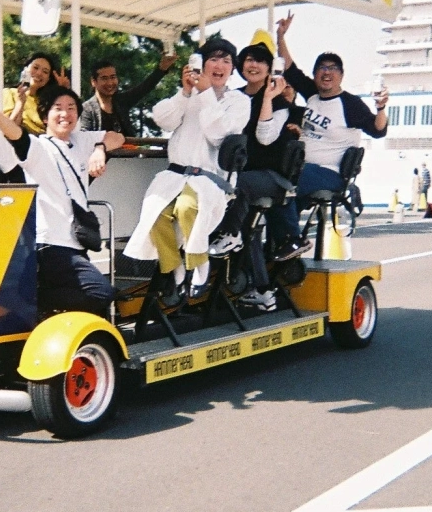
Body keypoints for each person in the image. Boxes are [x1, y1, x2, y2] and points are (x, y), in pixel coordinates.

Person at [123, 37, 251, 303]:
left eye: (226, 61)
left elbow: (219, 135)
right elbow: (163, 119)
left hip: (210, 179)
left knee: (186, 208)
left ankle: (199, 262)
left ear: (232, 69)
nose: (220, 65)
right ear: (202, 64)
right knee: (155, 213)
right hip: (175, 175)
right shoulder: (188, 95)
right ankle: (175, 268)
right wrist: (184, 92)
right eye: (214, 59)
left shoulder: (238, 101)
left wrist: (205, 96)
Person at [0, 83, 124, 317]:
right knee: (102, 293)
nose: (65, 114)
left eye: (71, 108)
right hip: (51, 245)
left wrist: (100, 149)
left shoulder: (82, 140)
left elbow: (117, 137)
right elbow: (16, 135)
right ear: (45, 115)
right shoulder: (38, 147)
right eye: (57, 108)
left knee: (93, 308)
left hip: (77, 243)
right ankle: (24, 299)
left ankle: (35, 302)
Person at [208, 30, 310, 311]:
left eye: (259, 62)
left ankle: (229, 234)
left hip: (272, 178)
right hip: (243, 177)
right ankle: (263, 291)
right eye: (248, 61)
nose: (252, 65)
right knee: (250, 230)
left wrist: (268, 97)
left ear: (269, 69)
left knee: (235, 187)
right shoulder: (233, 97)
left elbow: (265, 136)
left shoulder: (279, 102)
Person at [275, 12, 388, 235]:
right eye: (322, 68)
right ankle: (278, 251)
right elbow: (290, 69)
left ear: (341, 75)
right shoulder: (312, 95)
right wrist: (280, 36)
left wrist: (381, 108)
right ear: (316, 74)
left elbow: (378, 130)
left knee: (285, 184)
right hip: (300, 167)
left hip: (330, 174)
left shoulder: (350, 104)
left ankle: (291, 240)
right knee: (274, 185)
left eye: (332, 68)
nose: (327, 72)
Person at [79, 51, 177, 135]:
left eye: (113, 77)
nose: (110, 83)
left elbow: (144, 88)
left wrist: (162, 68)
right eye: (104, 78)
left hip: (129, 155)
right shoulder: (87, 109)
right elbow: (85, 138)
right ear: (93, 81)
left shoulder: (122, 101)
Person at [0, 51, 70, 135]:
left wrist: (63, 91)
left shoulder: (45, 102)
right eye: (35, 67)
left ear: (48, 79)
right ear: (25, 69)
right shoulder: (8, 93)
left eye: (45, 72)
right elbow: (6, 131)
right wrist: (20, 104)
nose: (39, 73)